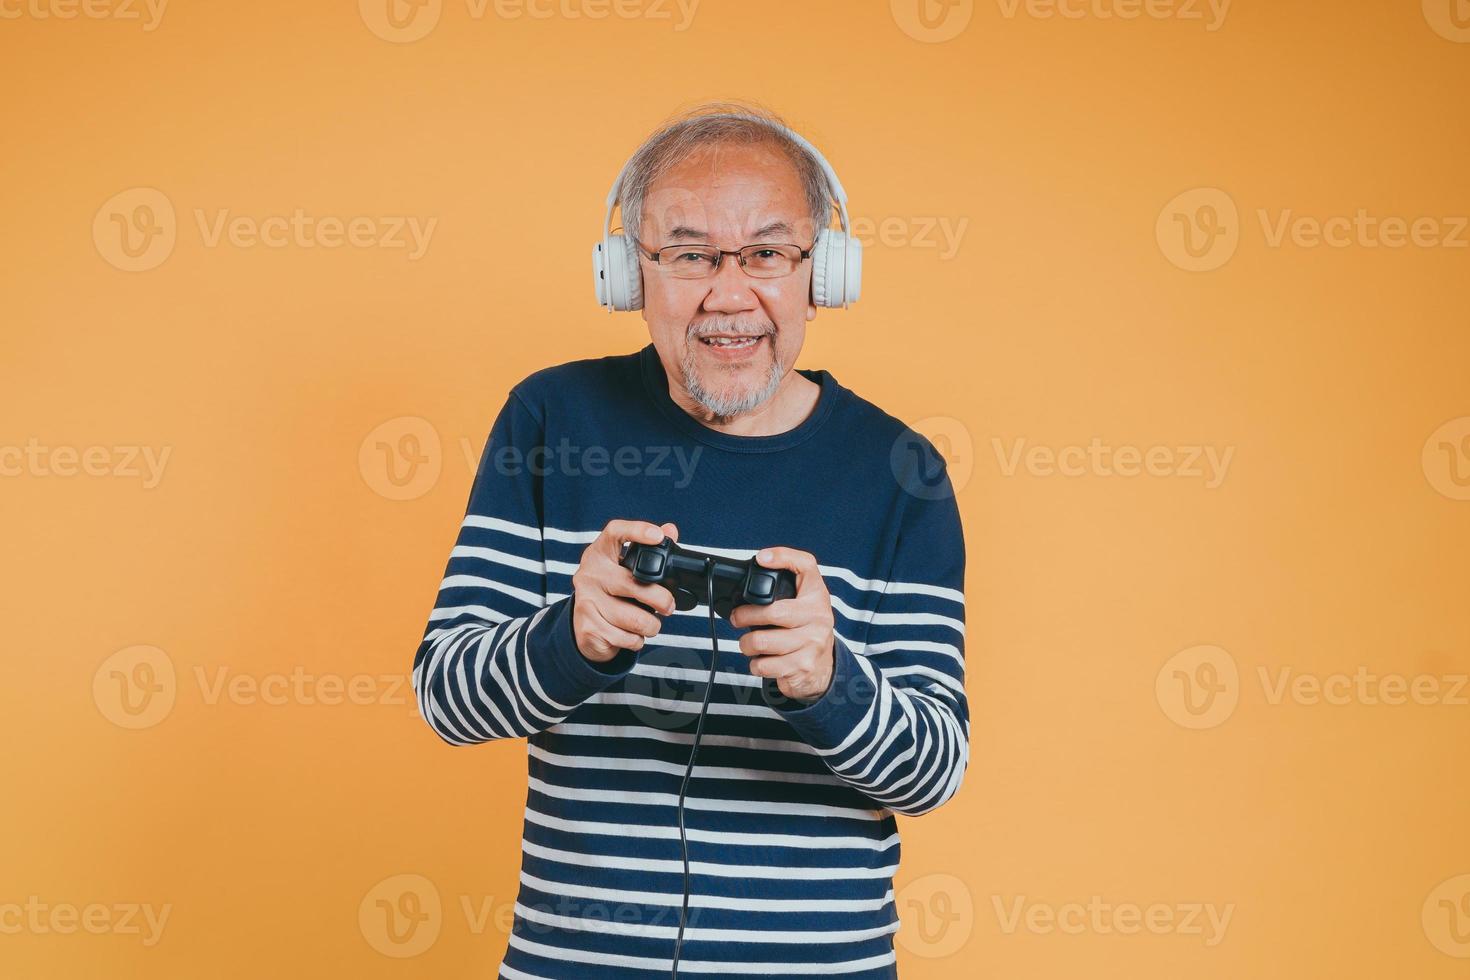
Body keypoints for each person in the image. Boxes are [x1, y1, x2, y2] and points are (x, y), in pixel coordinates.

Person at [411, 102, 969, 980]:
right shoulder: (551, 420)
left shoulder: (902, 470)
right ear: (630, 275)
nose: (728, 293)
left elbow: (932, 772)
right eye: (689, 255)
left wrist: (829, 683)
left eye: (766, 255)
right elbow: (445, 699)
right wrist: (571, 639)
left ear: (822, 272)